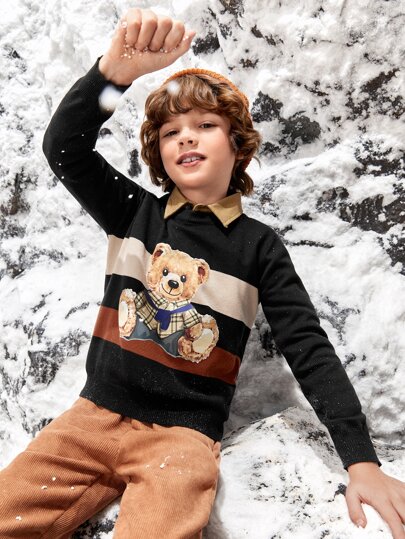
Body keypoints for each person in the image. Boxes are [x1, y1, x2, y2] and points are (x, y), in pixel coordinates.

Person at [0, 7, 404, 539]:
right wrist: (112, 76)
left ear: (238, 145)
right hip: (90, 418)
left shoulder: (259, 246)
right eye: (171, 132)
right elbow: (64, 148)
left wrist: (360, 460)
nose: (186, 138)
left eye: (206, 126)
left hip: (182, 439)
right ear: (158, 152)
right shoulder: (132, 213)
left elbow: (308, 346)